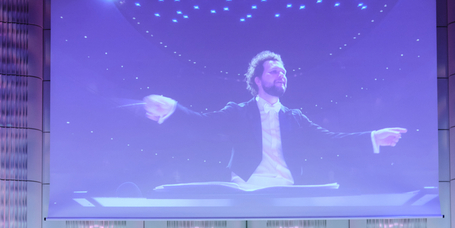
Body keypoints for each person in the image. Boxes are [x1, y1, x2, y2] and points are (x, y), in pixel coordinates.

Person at [144, 51, 406, 189]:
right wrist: (172, 109)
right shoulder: (238, 111)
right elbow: (203, 123)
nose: (281, 75)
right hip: (247, 187)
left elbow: (331, 139)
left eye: (283, 72)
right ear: (258, 80)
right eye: (274, 71)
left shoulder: (296, 117)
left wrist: (373, 136)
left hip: (286, 187)